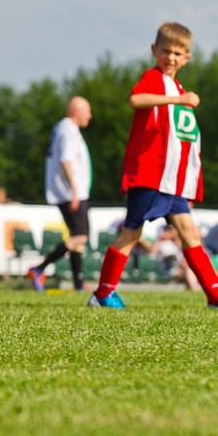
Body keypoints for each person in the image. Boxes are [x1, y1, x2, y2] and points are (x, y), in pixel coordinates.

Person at [88, 22, 218, 310]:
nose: (171, 57)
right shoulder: (155, 78)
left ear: (187, 58)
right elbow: (136, 99)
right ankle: (102, 294)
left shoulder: (178, 86)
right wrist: (178, 100)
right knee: (131, 233)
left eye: (177, 53)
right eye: (166, 51)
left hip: (172, 182)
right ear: (154, 51)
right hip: (150, 175)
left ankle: (214, 295)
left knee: (190, 234)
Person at [28, 96, 93, 292]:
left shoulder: (63, 129)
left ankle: (78, 284)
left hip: (70, 191)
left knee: (77, 239)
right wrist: (74, 191)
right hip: (71, 193)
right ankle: (39, 268)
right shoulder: (68, 130)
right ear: (76, 111)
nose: (90, 116)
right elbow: (66, 160)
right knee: (81, 237)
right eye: (87, 111)